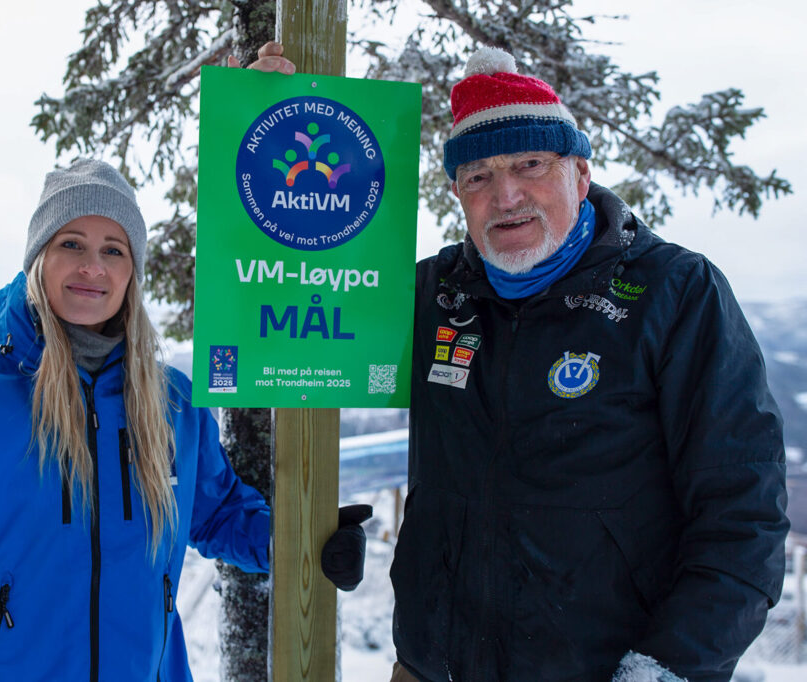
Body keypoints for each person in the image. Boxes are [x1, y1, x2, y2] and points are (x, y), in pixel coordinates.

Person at [251, 43, 789, 681]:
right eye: (478, 175)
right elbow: (294, 301)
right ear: (457, 193)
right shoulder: (430, 297)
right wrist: (268, 118)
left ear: (579, 173)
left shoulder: (673, 294)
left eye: (531, 163)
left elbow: (743, 514)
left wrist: (665, 669)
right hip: (429, 670)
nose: (506, 195)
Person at [0, 159, 272, 681]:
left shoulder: (173, 405)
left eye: (113, 250)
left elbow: (218, 511)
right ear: (38, 259)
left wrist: (305, 539)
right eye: (72, 244)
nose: (93, 267)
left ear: (132, 271)